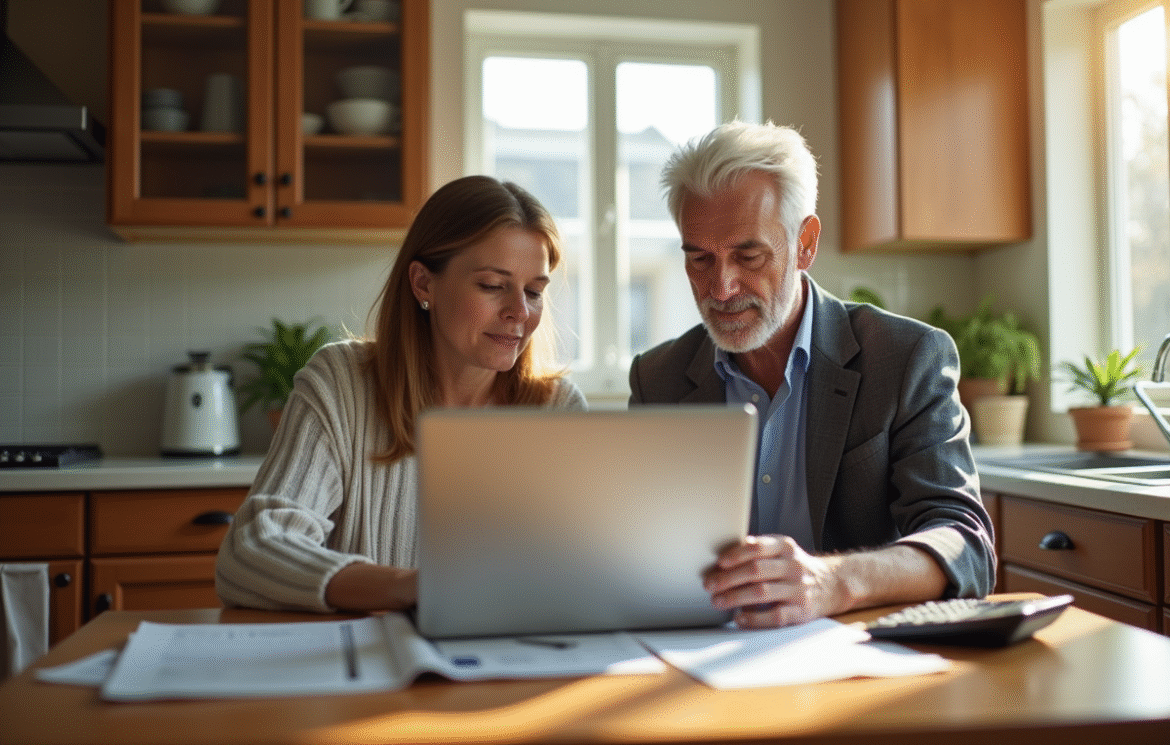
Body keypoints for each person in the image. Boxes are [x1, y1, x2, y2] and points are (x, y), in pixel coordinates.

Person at [629, 121, 994, 629]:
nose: (722, 286)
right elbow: (639, 552)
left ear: (805, 243)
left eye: (748, 255)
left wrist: (833, 581)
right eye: (699, 260)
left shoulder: (905, 358)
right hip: (708, 656)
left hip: (863, 663)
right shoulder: (659, 379)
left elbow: (964, 544)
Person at [217, 175, 586, 613]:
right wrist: (409, 588)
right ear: (423, 284)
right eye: (491, 285)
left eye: (533, 292)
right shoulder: (341, 385)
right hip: (364, 670)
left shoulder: (557, 409)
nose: (519, 313)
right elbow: (252, 550)